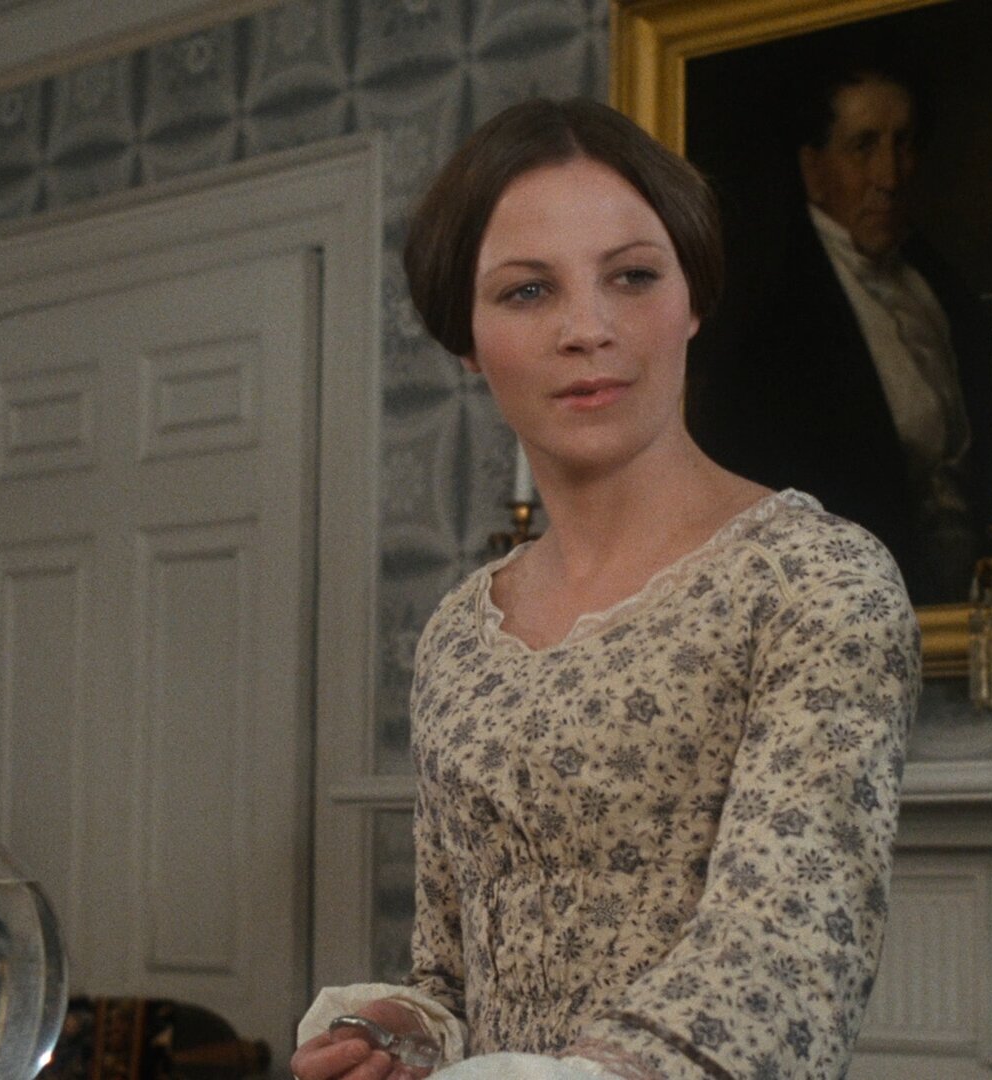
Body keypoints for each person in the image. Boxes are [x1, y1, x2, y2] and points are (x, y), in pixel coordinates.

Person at [288, 99, 919, 1080]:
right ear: (466, 339)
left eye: (631, 276)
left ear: (692, 297)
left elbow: (785, 970)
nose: (587, 328)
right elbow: (453, 975)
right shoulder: (460, 636)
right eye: (527, 291)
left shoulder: (814, 578)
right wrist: (407, 1036)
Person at [685, 62, 992, 607]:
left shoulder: (942, 292)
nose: (890, 176)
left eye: (904, 143)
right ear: (813, 169)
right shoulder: (774, 320)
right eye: (863, 146)